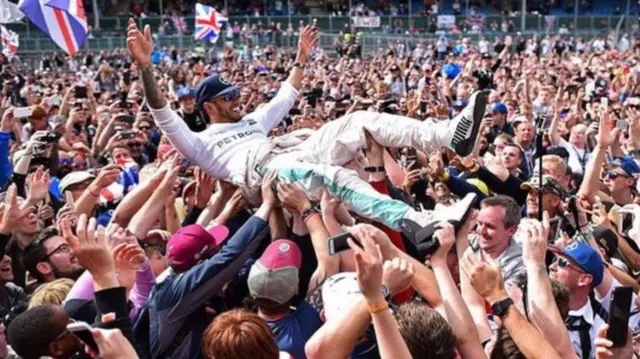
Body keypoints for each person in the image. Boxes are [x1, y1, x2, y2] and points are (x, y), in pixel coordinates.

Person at [126, 20, 484, 243]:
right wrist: (146, 69)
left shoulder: (252, 121)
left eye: (236, 93)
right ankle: (419, 222)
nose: (238, 98)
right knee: (334, 177)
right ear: (208, 107)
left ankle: (448, 135)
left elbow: (287, 95)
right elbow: (163, 116)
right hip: (266, 174)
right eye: (229, 96)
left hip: (293, 150)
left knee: (359, 119)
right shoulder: (200, 144)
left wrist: (301, 55)